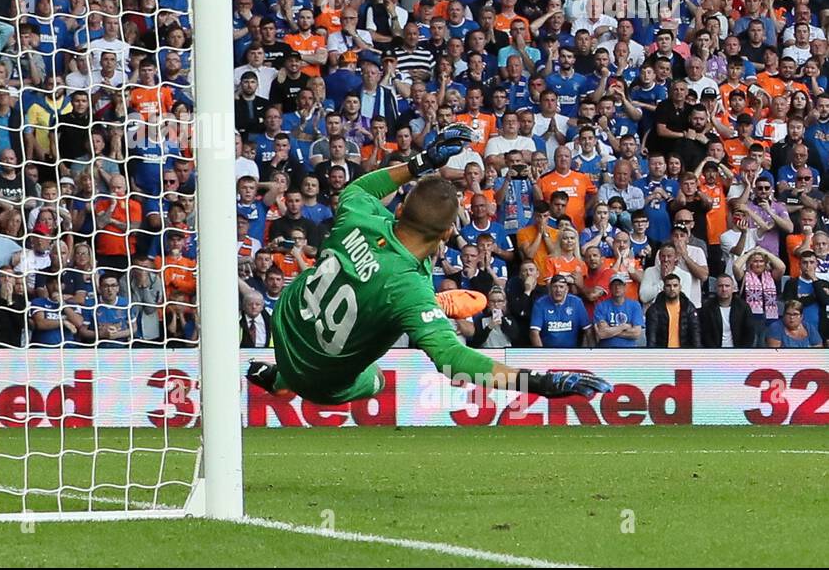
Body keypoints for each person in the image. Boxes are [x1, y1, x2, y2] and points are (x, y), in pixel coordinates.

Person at [247, 125, 611, 404]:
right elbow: (453, 359)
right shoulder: (410, 290)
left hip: (289, 320)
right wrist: (542, 383)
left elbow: (362, 188)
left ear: (402, 208)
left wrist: (422, 162)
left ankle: (279, 375)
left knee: (373, 300)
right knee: (376, 380)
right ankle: (281, 382)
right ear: (446, 233)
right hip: (316, 378)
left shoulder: (359, 214)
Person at [529, 274, 593, 348]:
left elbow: (588, 330)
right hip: (548, 352)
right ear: (549, 288)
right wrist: (542, 355)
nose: (558, 290)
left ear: (567, 289)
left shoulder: (576, 302)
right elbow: (534, 333)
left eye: (561, 287)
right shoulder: (540, 303)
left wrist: (588, 353)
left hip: (571, 353)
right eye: (555, 286)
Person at [698, 274, 759, 349]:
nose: (724, 289)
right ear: (715, 288)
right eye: (720, 286)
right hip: (714, 352)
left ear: (733, 288)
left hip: (738, 352)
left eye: (727, 286)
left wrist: (741, 352)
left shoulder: (743, 307)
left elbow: (749, 332)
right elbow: (705, 334)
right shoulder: (707, 307)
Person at [644, 273, 700, 348]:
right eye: (668, 286)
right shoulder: (654, 310)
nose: (672, 288)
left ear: (680, 287)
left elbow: (695, 334)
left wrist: (697, 355)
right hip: (663, 354)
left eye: (675, 285)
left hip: (684, 353)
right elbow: (651, 337)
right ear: (663, 288)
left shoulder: (689, 308)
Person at [592, 273, 644, 348]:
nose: (617, 287)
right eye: (614, 285)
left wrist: (610, 330)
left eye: (620, 284)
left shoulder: (635, 305)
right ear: (609, 287)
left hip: (628, 351)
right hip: (606, 351)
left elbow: (636, 333)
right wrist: (624, 327)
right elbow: (601, 334)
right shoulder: (601, 306)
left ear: (625, 287)